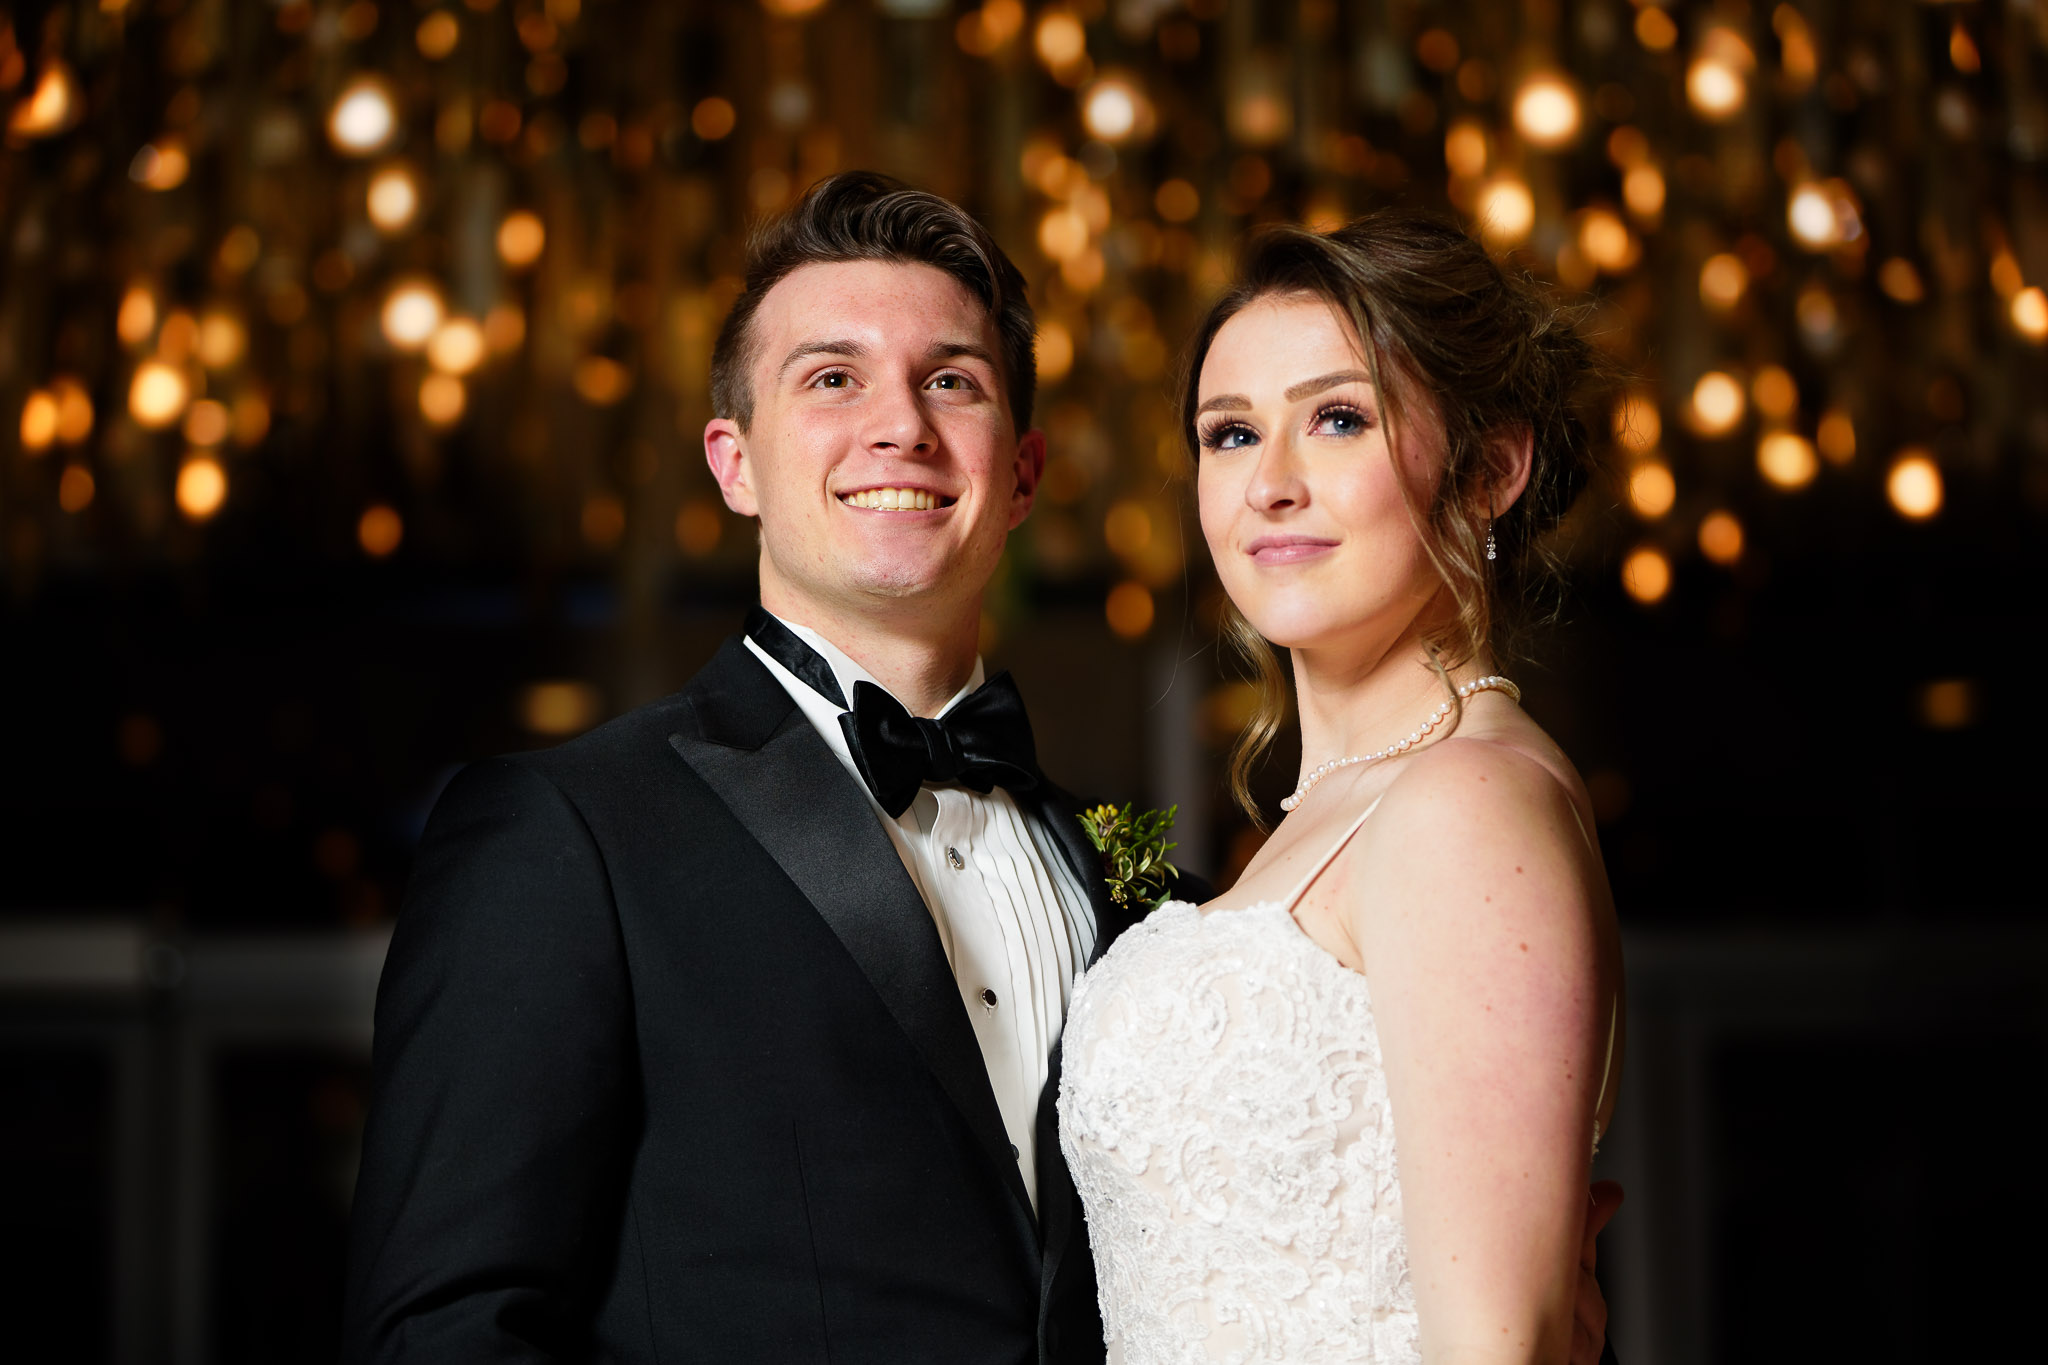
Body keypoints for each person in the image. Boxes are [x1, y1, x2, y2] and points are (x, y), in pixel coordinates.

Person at [341, 173, 1616, 1364]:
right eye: (830, 379)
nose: (896, 425)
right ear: (733, 462)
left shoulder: (1154, 892)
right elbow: (445, 1332)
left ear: (1022, 472)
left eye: (950, 381)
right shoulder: (565, 836)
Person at [1058, 211, 1626, 1365]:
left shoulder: (1465, 804)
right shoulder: (1335, 811)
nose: (1269, 483)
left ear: (1486, 469)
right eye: (1227, 435)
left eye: (1336, 419)